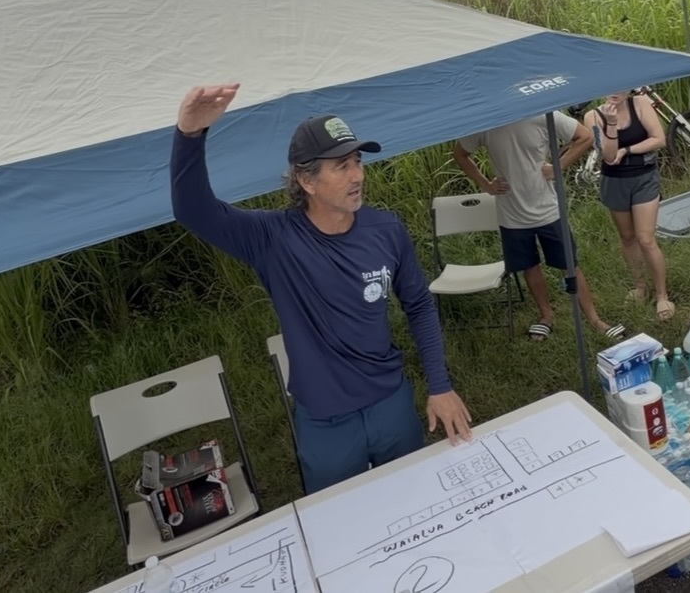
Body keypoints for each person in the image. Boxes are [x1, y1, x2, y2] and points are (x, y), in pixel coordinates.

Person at [169, 85, 472, 494]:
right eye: (342, 166)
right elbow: (193, 210)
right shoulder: (271, 239)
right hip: (326, 422)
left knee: (417, 499)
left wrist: (440, 385)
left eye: (358, 161)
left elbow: (418, 303)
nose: (358, 175)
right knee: (341, 530)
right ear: (306, 181)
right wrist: (189, 136)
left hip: (391, 404)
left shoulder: (386, 229)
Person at [452, 113, 626, 342]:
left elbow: (584, 136)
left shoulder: (542, 114)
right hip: (511, 214)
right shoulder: (486, 120)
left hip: (548, 209)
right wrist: (485, 184)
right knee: (529, 266)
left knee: (569, 265)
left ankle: (595, 319)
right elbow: (460, 154)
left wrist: (558, 166)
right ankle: (546, 316)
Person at [580, 90, 676, 321]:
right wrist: (611, 125)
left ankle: (662, 295)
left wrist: (628, 149)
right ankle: (640, 286)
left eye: (620, 86)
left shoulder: (641, 103)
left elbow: (659, 139)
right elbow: (608, 156)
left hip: (644, 177)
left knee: (646, 238)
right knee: (627, 237)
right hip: (614, 181)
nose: (615, 92)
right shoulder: (592, 117)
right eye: (609, 87)